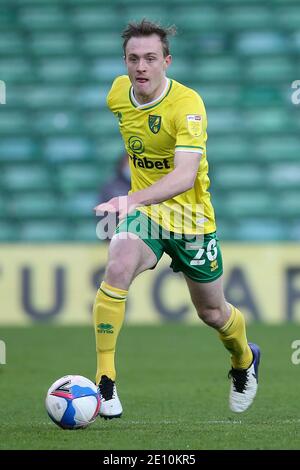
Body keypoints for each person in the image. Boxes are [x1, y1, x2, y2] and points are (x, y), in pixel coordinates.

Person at [93, 19, 260, 419]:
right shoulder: (117, 94)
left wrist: (130, 199)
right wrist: (136, 206)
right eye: (133, 59)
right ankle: (105, 381)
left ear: (166, 60)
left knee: (212, 313)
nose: (141, 67)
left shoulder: (187, 105)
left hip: (192, 219)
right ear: (125, 62)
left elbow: (185, 175)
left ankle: (244, 360)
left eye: (151, 58)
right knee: (117, 263)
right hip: (148, 215)